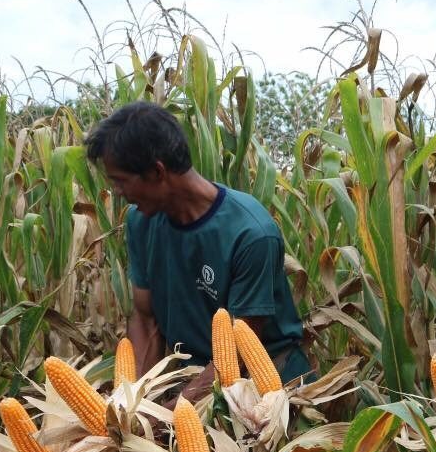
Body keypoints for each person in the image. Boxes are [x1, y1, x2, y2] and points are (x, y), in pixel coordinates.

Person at [84, 101, 313, 402]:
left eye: (121, 181)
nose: (117, 193)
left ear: (156, 172)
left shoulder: (250, 234)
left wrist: (172, 412)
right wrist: (133, 403)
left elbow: (239, 350)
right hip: (197, 382)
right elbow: (145, 318)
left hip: (269, 389)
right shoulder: (141, 221)